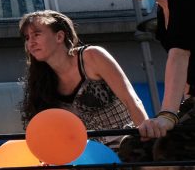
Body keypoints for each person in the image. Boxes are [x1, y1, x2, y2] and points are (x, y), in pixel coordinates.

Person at [98, 0, 194, 158]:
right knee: (134, 148)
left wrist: (168, 116)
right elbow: (188, 77)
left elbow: (180, 55)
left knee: (169, 149)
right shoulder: (162, 12)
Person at [18, 10, 148, 148]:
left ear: (59, 36)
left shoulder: (92, 56)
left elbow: (132, 100)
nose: (31, 43)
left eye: (36, 35)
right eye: (27, 38)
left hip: (131, 146)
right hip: (93, 158)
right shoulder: (40, 82)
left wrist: (147, 141)